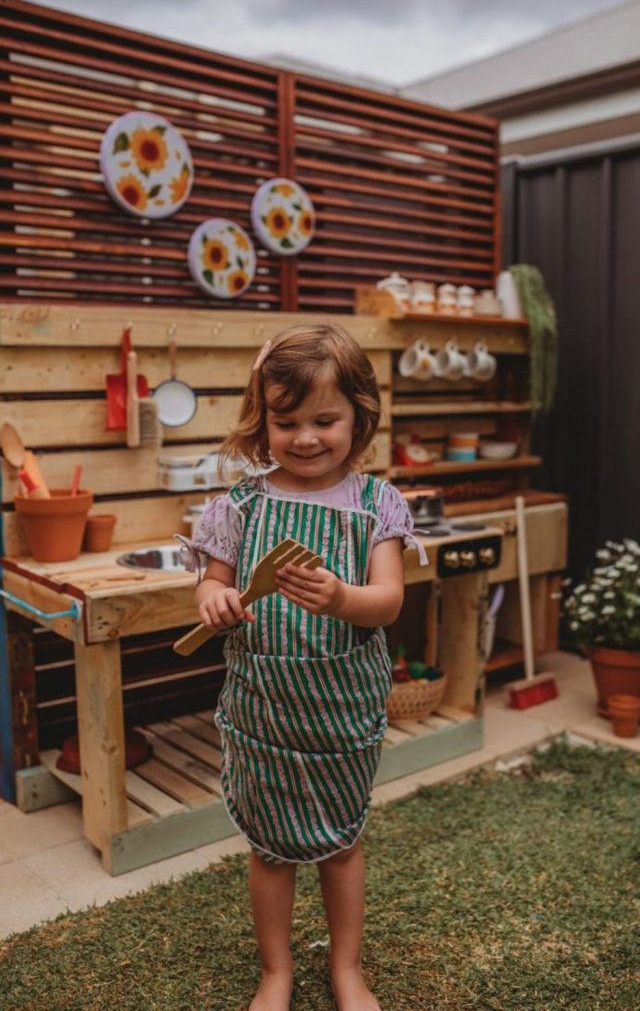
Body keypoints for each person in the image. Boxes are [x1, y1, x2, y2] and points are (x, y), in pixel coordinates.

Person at [183, 323, 426, 1011]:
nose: (306, 438)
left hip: (341, 706)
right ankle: (276, 973)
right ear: (262, 420)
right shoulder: (240, 504)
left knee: (341, 842)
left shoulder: (376, 504)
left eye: (325, 420)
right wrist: (214, 600)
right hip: (264, 707)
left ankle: (347, 969)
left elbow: (388, 601)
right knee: (270, 848)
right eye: (286, 422)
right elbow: (211, 583)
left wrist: (342, 598)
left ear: (359, 416)